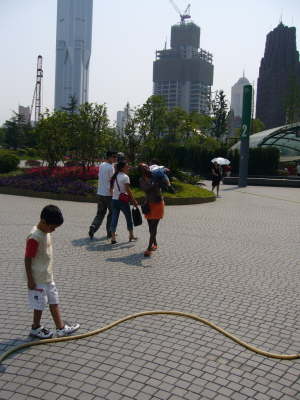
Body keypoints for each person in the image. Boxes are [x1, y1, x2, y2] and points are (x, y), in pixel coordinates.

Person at [25, 205, 80, 339]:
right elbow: (27, 258)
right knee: (39, 305)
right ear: (43, 222)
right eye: (52, 227)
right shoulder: (34, 237)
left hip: (47, 276)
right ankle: (35, 327)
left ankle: (61, 328)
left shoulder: (46, 231)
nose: (53, 230)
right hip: (38, 278)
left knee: (54, 301)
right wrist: (30, 279)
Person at [88, 151, 118, 239]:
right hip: (109, 194)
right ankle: (110, 232)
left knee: (100, 213)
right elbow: (112, 180)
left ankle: (93, 227)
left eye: (116, 157)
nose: (115, 158)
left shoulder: (101, 165)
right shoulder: (110, 167)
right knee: (112, 213)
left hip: (100, 193)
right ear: (109, 157)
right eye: (114, 157)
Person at [139, 163, 165, 257]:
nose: (146, 168)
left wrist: (161, 177)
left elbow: (164, 184)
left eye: (146, 166)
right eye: (143, 167)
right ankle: (155, 243)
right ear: (141, 170)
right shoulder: (141, 179)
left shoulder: (156, 176)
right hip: (148, 204)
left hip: (158, 204)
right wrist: (154, 184)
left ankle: (149, 248)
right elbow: (145, 189)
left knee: (154, 226)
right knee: (150, 227)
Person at [110, 161, 138, 244]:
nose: (128, 167)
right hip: (123, 201)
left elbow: (111, 189)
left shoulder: (114, 176)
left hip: (114, 200)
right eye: (127, 166)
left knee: (114, 218)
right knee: (128, 218)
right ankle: (131, 235)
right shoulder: (125, 177)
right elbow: (128, 190)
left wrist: (115, 195)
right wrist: (134, 200)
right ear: (122, 168)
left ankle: (113, 238)